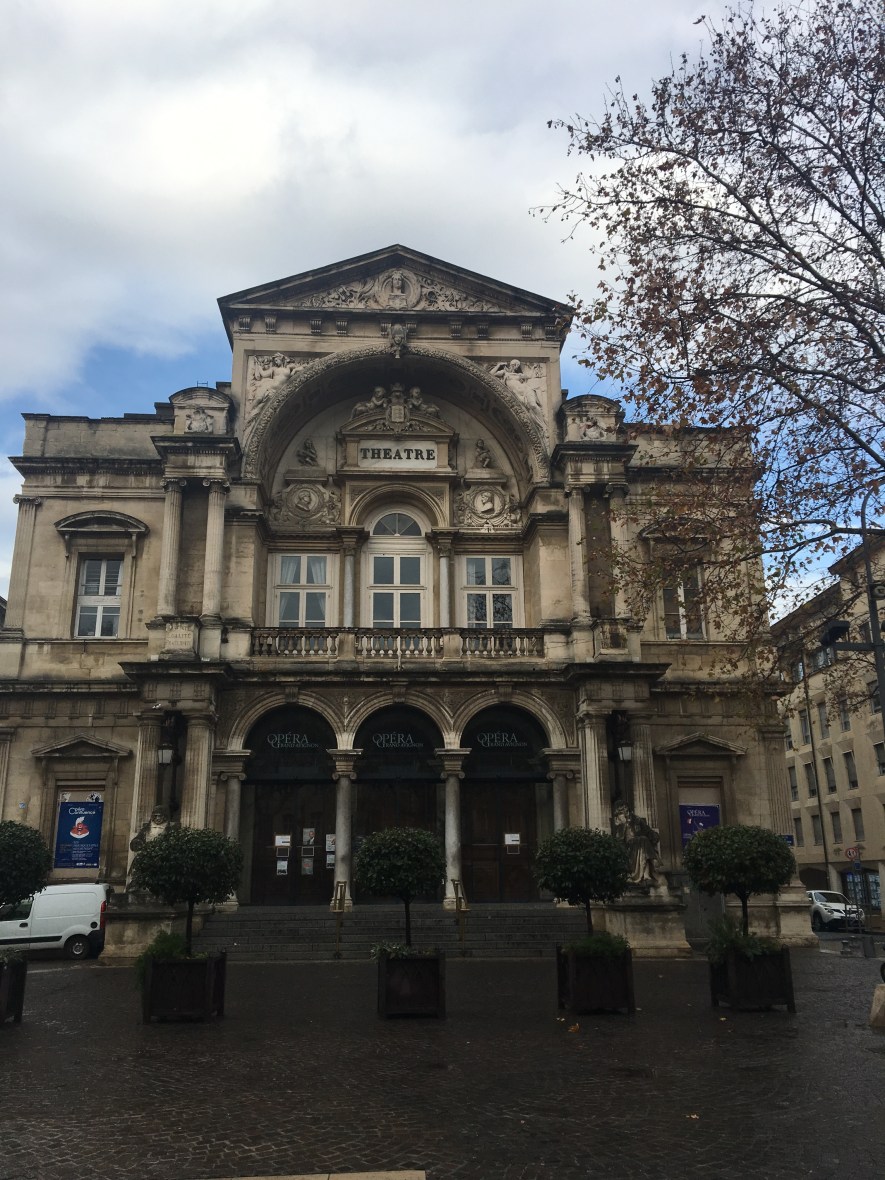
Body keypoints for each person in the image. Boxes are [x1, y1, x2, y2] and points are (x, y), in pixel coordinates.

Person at [613, 802, 660, 885]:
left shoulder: (637, 819)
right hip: (628, 846)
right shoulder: (618, 821)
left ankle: (646, 875)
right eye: (622, 811)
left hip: (640, 844)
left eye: (626, 810)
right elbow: (618, 838)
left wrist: (654, 836)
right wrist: (623, 824)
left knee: (643, 842)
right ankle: (652, 863)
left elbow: (647, 830)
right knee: (643, 840)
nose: (626, 813)